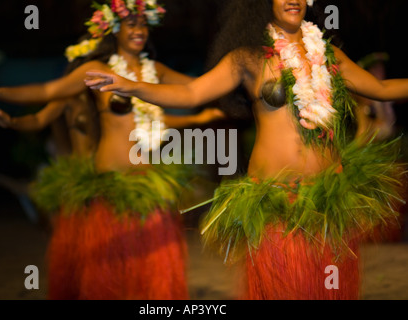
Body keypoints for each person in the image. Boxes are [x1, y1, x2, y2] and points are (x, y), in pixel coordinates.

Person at [84, 0, 407, 299]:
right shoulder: (248, 58)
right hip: (274, 200)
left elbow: (380, 88)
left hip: (327, 200)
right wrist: (133, 86)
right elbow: (193, 93)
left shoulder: (328, 54)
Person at [0, 0, 223, 300]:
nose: (139, 30)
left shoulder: (155, 71)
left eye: (143, 24)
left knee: (150, 275)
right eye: (130, 24)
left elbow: (202, 87)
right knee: (109, 277)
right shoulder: (98, 69)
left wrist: (234, 84)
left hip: (150, 185)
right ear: (114, 29)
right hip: (109, 182)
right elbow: (49, 91)